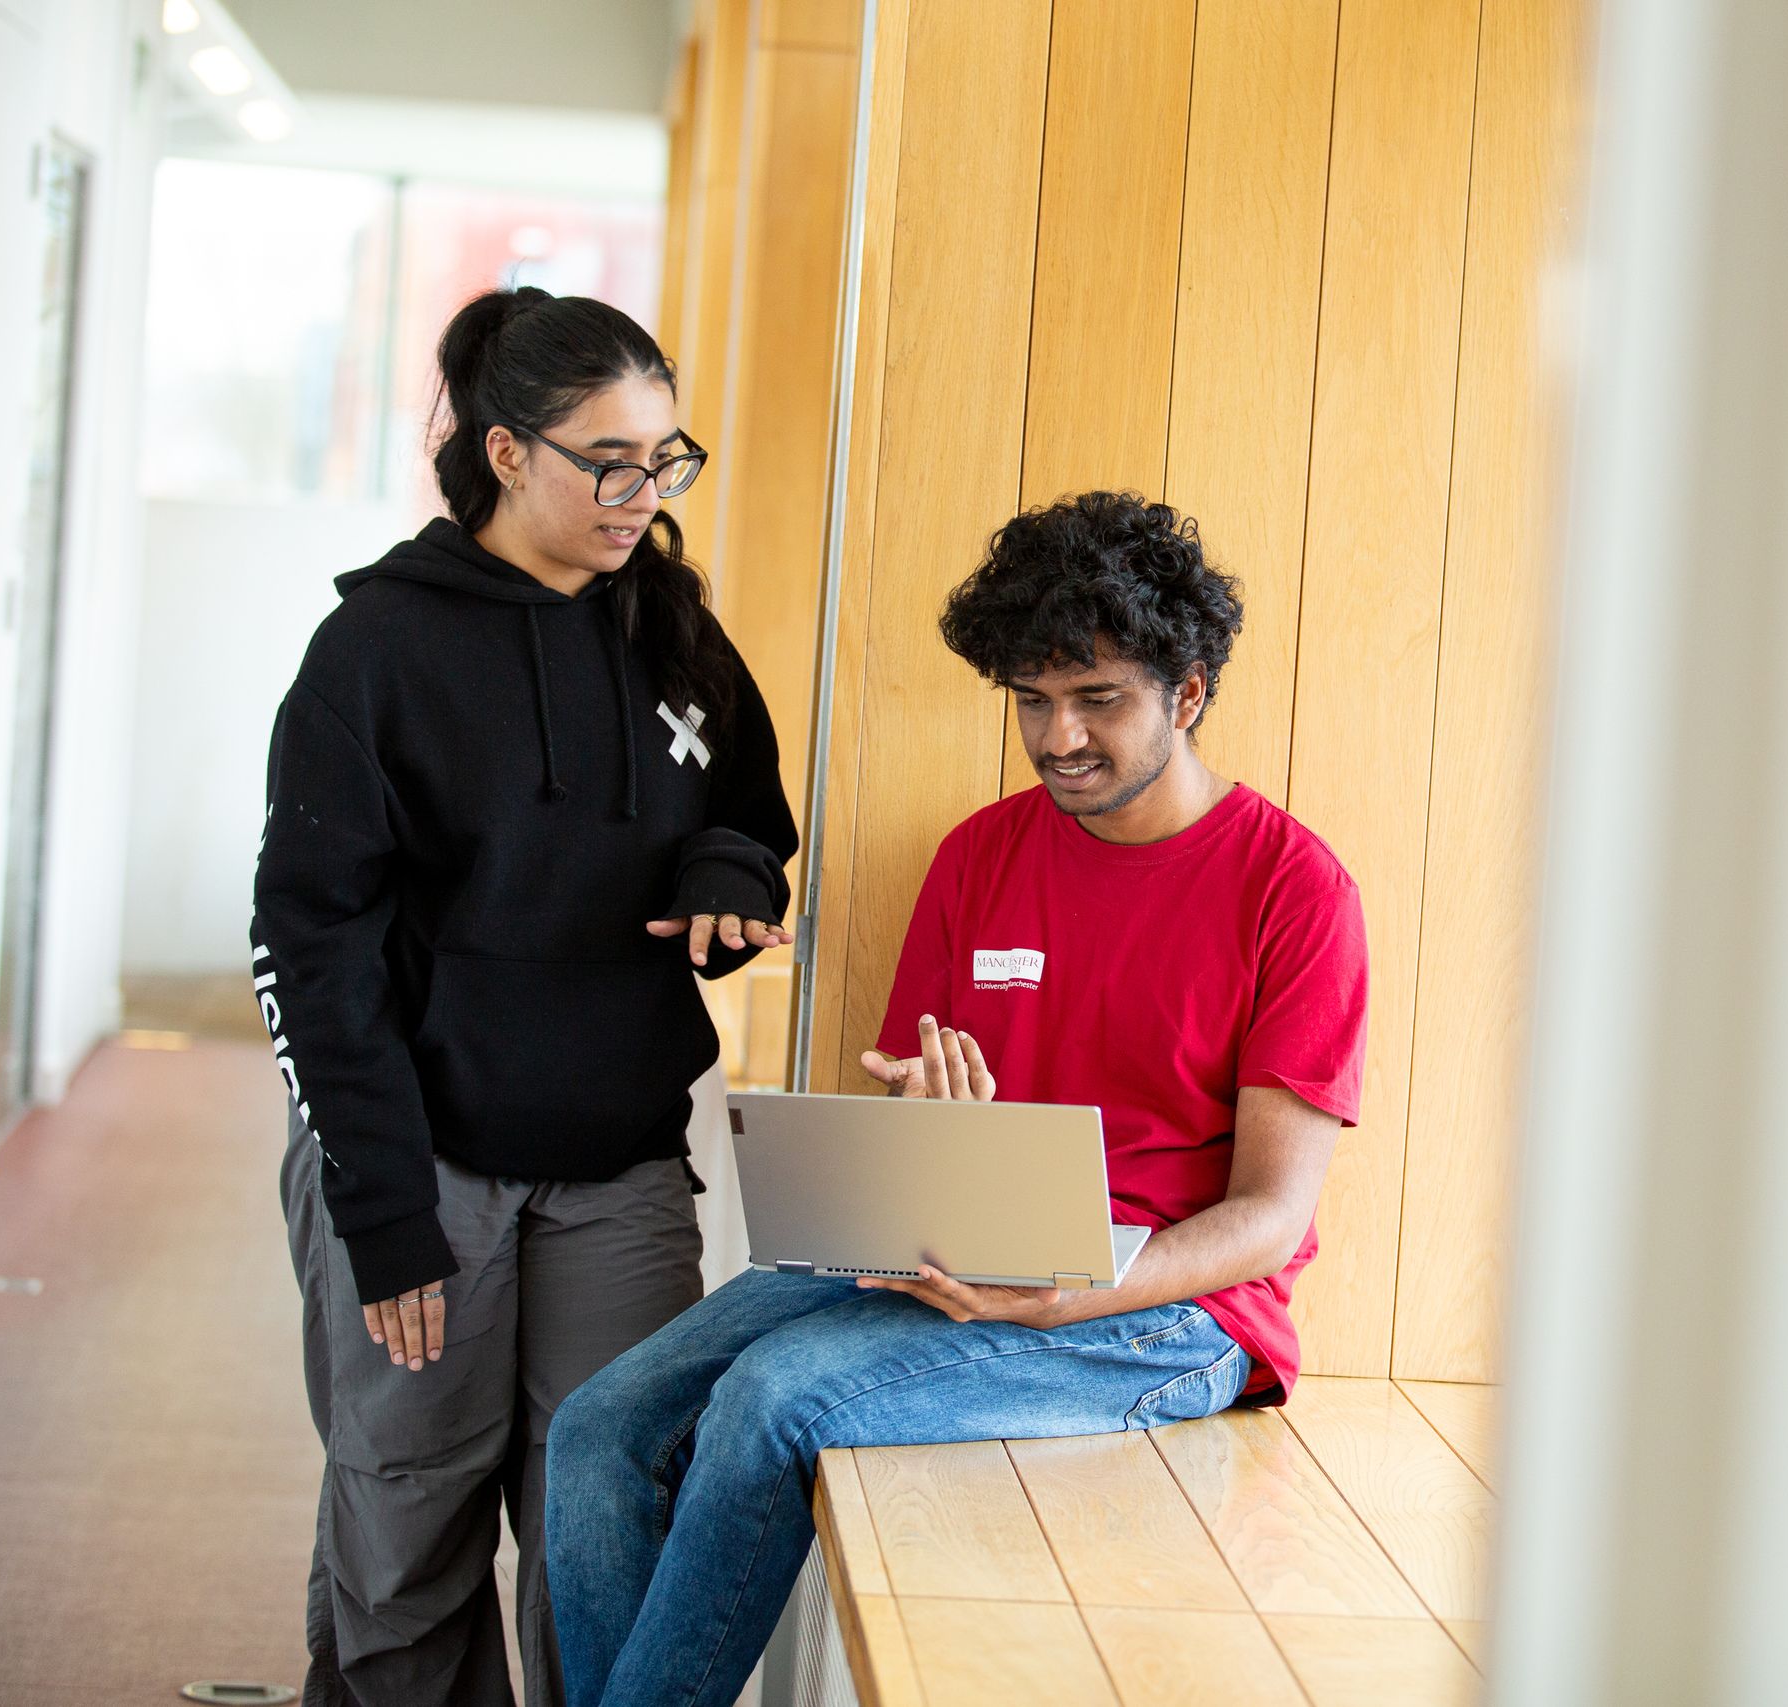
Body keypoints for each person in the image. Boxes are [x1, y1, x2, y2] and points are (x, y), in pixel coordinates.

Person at [542, 491, 1369, 1707]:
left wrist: (1071, 1294)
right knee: (597, 1427)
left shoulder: (1293, 890)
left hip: (1172, 1308)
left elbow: (1272, 1219)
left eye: (1097, 699)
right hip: (955, 1249)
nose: (1057, 736)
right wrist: (928, 1137)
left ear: (1187, 693)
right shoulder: (980, 854)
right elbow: (911, 1125)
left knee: (771, 1401)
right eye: (1031, 700)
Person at [252, 286, 798, 1707]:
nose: (644, 494)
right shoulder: (376, 652)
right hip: (420, 1163)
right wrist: (381, 1208)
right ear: (505, 453)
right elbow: (308, 946)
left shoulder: (672, 633)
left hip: (617, 1165)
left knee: (606, 1506)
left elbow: (748, 815)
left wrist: (730, 875)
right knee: (409, 1506)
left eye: (664, 460)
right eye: (609, 463)